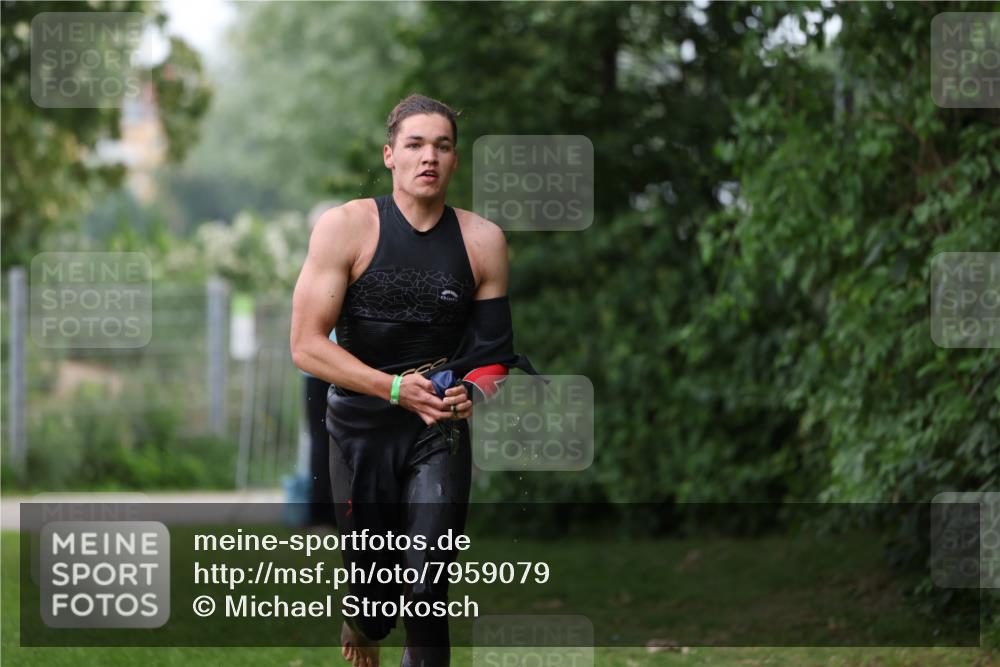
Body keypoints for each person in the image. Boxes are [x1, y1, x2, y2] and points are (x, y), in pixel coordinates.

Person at [290, 94, 538, 667]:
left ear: (454, 162)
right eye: (415, 144)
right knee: (377, 606)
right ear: (390, 156)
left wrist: (472, 390)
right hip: (358, 430)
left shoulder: (483, 241)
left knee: (426, 591)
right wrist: (394, 388)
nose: (429, 156)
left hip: (437, 433)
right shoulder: (346, 228)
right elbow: (305, 344)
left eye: (442, 146)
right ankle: (362, 620)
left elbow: (494, 353)